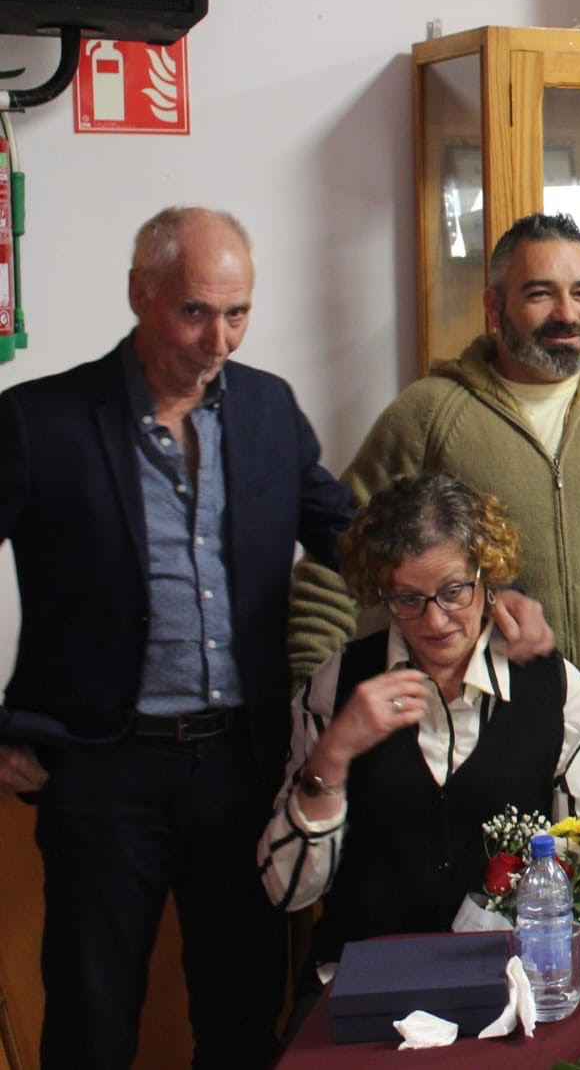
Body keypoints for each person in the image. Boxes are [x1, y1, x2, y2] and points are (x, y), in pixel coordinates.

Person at [0, 208, 354, 1067]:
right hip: (100, 766)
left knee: (241, 1011)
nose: (220, 337)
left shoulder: (268, 409)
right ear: (139, 293)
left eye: (238, 313)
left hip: (240, 763)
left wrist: (478, 592)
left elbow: (347, 531)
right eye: (197, 310)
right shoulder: (38, 422)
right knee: (92, 1013)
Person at [290, 213, 580, 783]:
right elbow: (341, 555)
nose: (567, 314)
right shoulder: (428, 414)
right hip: (478, 730)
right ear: (493, 305)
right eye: (539, 294)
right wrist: (311, 694)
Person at [258, 474, 580, 960]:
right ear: (380, 592)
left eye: (453, 592)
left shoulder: (555, 689)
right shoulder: (335, 687)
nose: (435, 621)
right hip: (365, 978)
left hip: (516, 979)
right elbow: (286, 891)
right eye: (408, 599)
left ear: (487, 577)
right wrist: (333, 755)